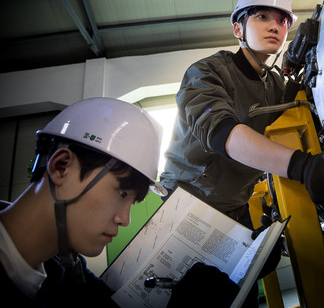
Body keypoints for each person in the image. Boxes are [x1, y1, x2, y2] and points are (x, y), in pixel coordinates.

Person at [160, 0, 324, 305]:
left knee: (242, 296)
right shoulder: (206, 73)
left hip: (235, 207)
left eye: (283, 21)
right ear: (238, 28)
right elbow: (224, 134)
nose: (275, 26)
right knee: (193, 298)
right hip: (186, 204)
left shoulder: (275, 85)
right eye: (262, 17)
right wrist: (302, 167)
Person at [0, 97, 238, 307]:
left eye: (132, 202)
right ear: (61, 167)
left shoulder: (69, 272)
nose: (124, 220)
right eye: (122, 193)